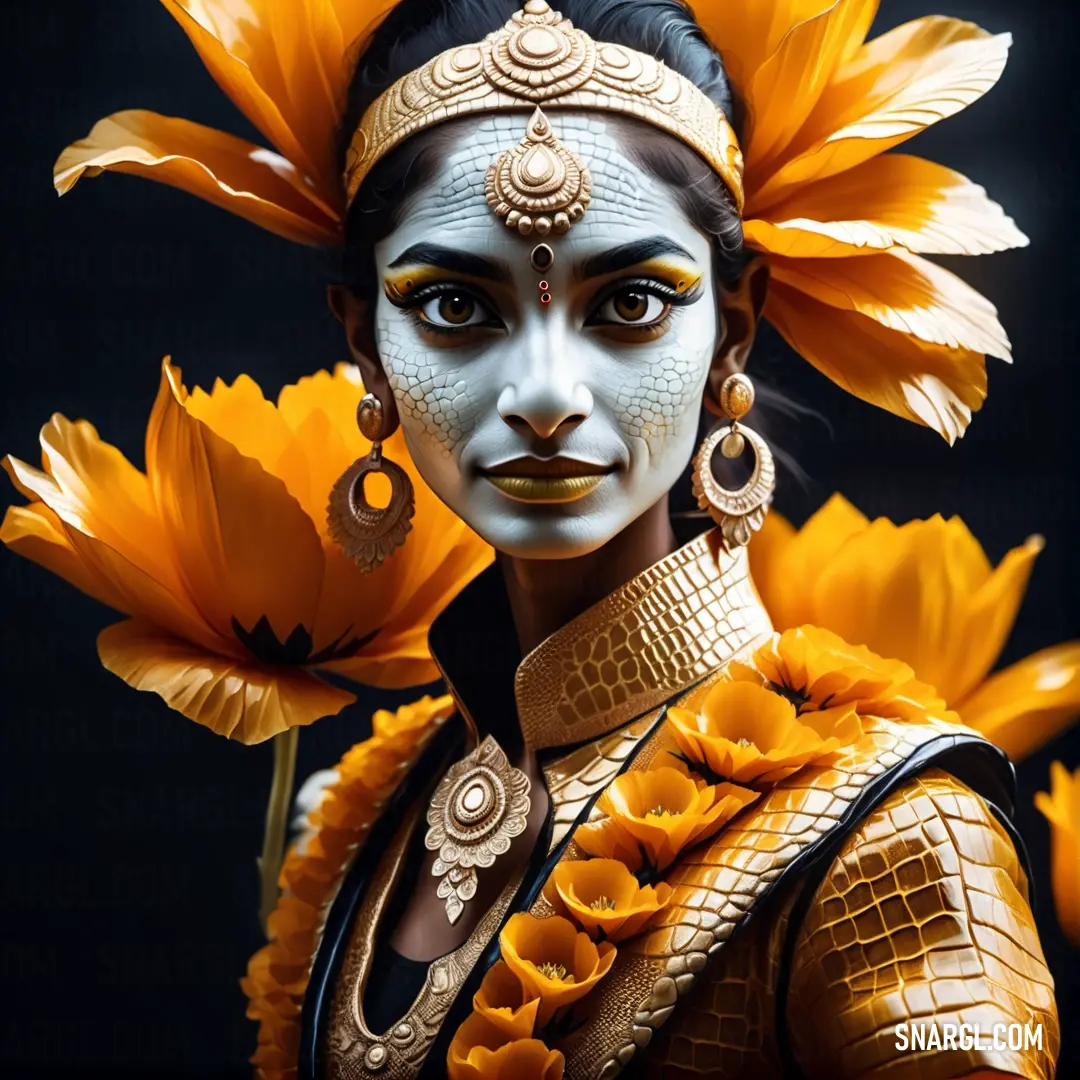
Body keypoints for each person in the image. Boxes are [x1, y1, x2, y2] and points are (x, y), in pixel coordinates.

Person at [52, 2, 1059, 1078]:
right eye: (454, 304)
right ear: (366, 342)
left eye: (628, 302)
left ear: (736, 324)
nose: (542, 393)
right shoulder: (371, 812)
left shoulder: (894, 842)